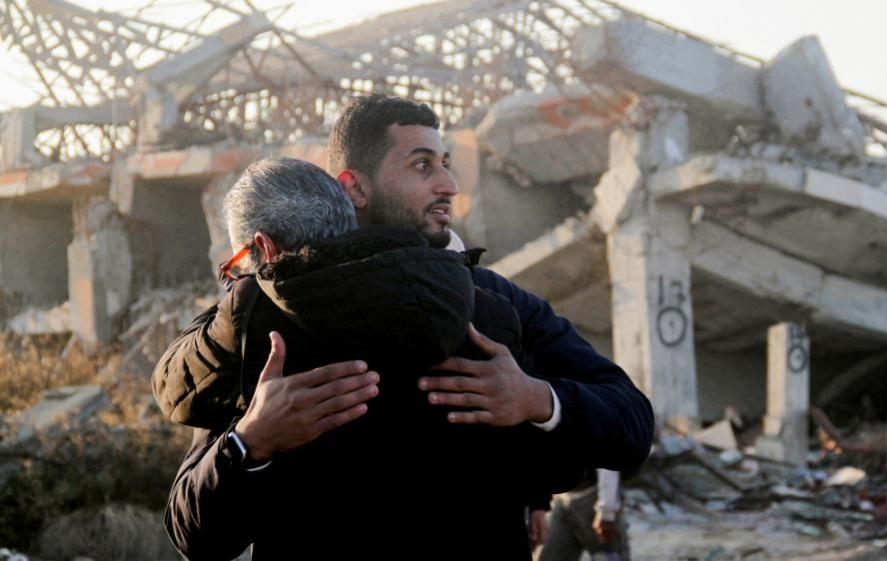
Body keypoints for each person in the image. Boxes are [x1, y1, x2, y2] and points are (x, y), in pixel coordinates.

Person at [154, 95, 654, 558]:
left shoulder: (497, 304)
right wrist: (252, 439)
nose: (449, 185)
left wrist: (536, 399)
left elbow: (633, 424)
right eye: (422, 165)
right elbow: (195, 535)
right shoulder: (264, 324)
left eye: (445, 164)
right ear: (354, 187)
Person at [536, 469, 630, 561]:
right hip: (560, 500)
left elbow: (609, 470)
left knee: (608, 555)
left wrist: (606, 513)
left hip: (593, 499)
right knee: (551, 556)